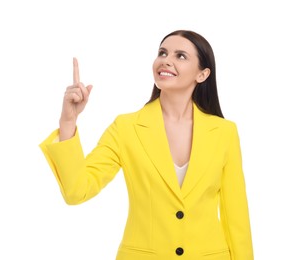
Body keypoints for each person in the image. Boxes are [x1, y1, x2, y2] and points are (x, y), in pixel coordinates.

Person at [39, 30, 254, 260]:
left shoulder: (224, 132)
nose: (166, 60)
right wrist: (68, 121)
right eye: (162, 53)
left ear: (202, 74)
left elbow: (236, 218)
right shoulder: (126, 127)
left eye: (180, 56)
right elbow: (76, 191)